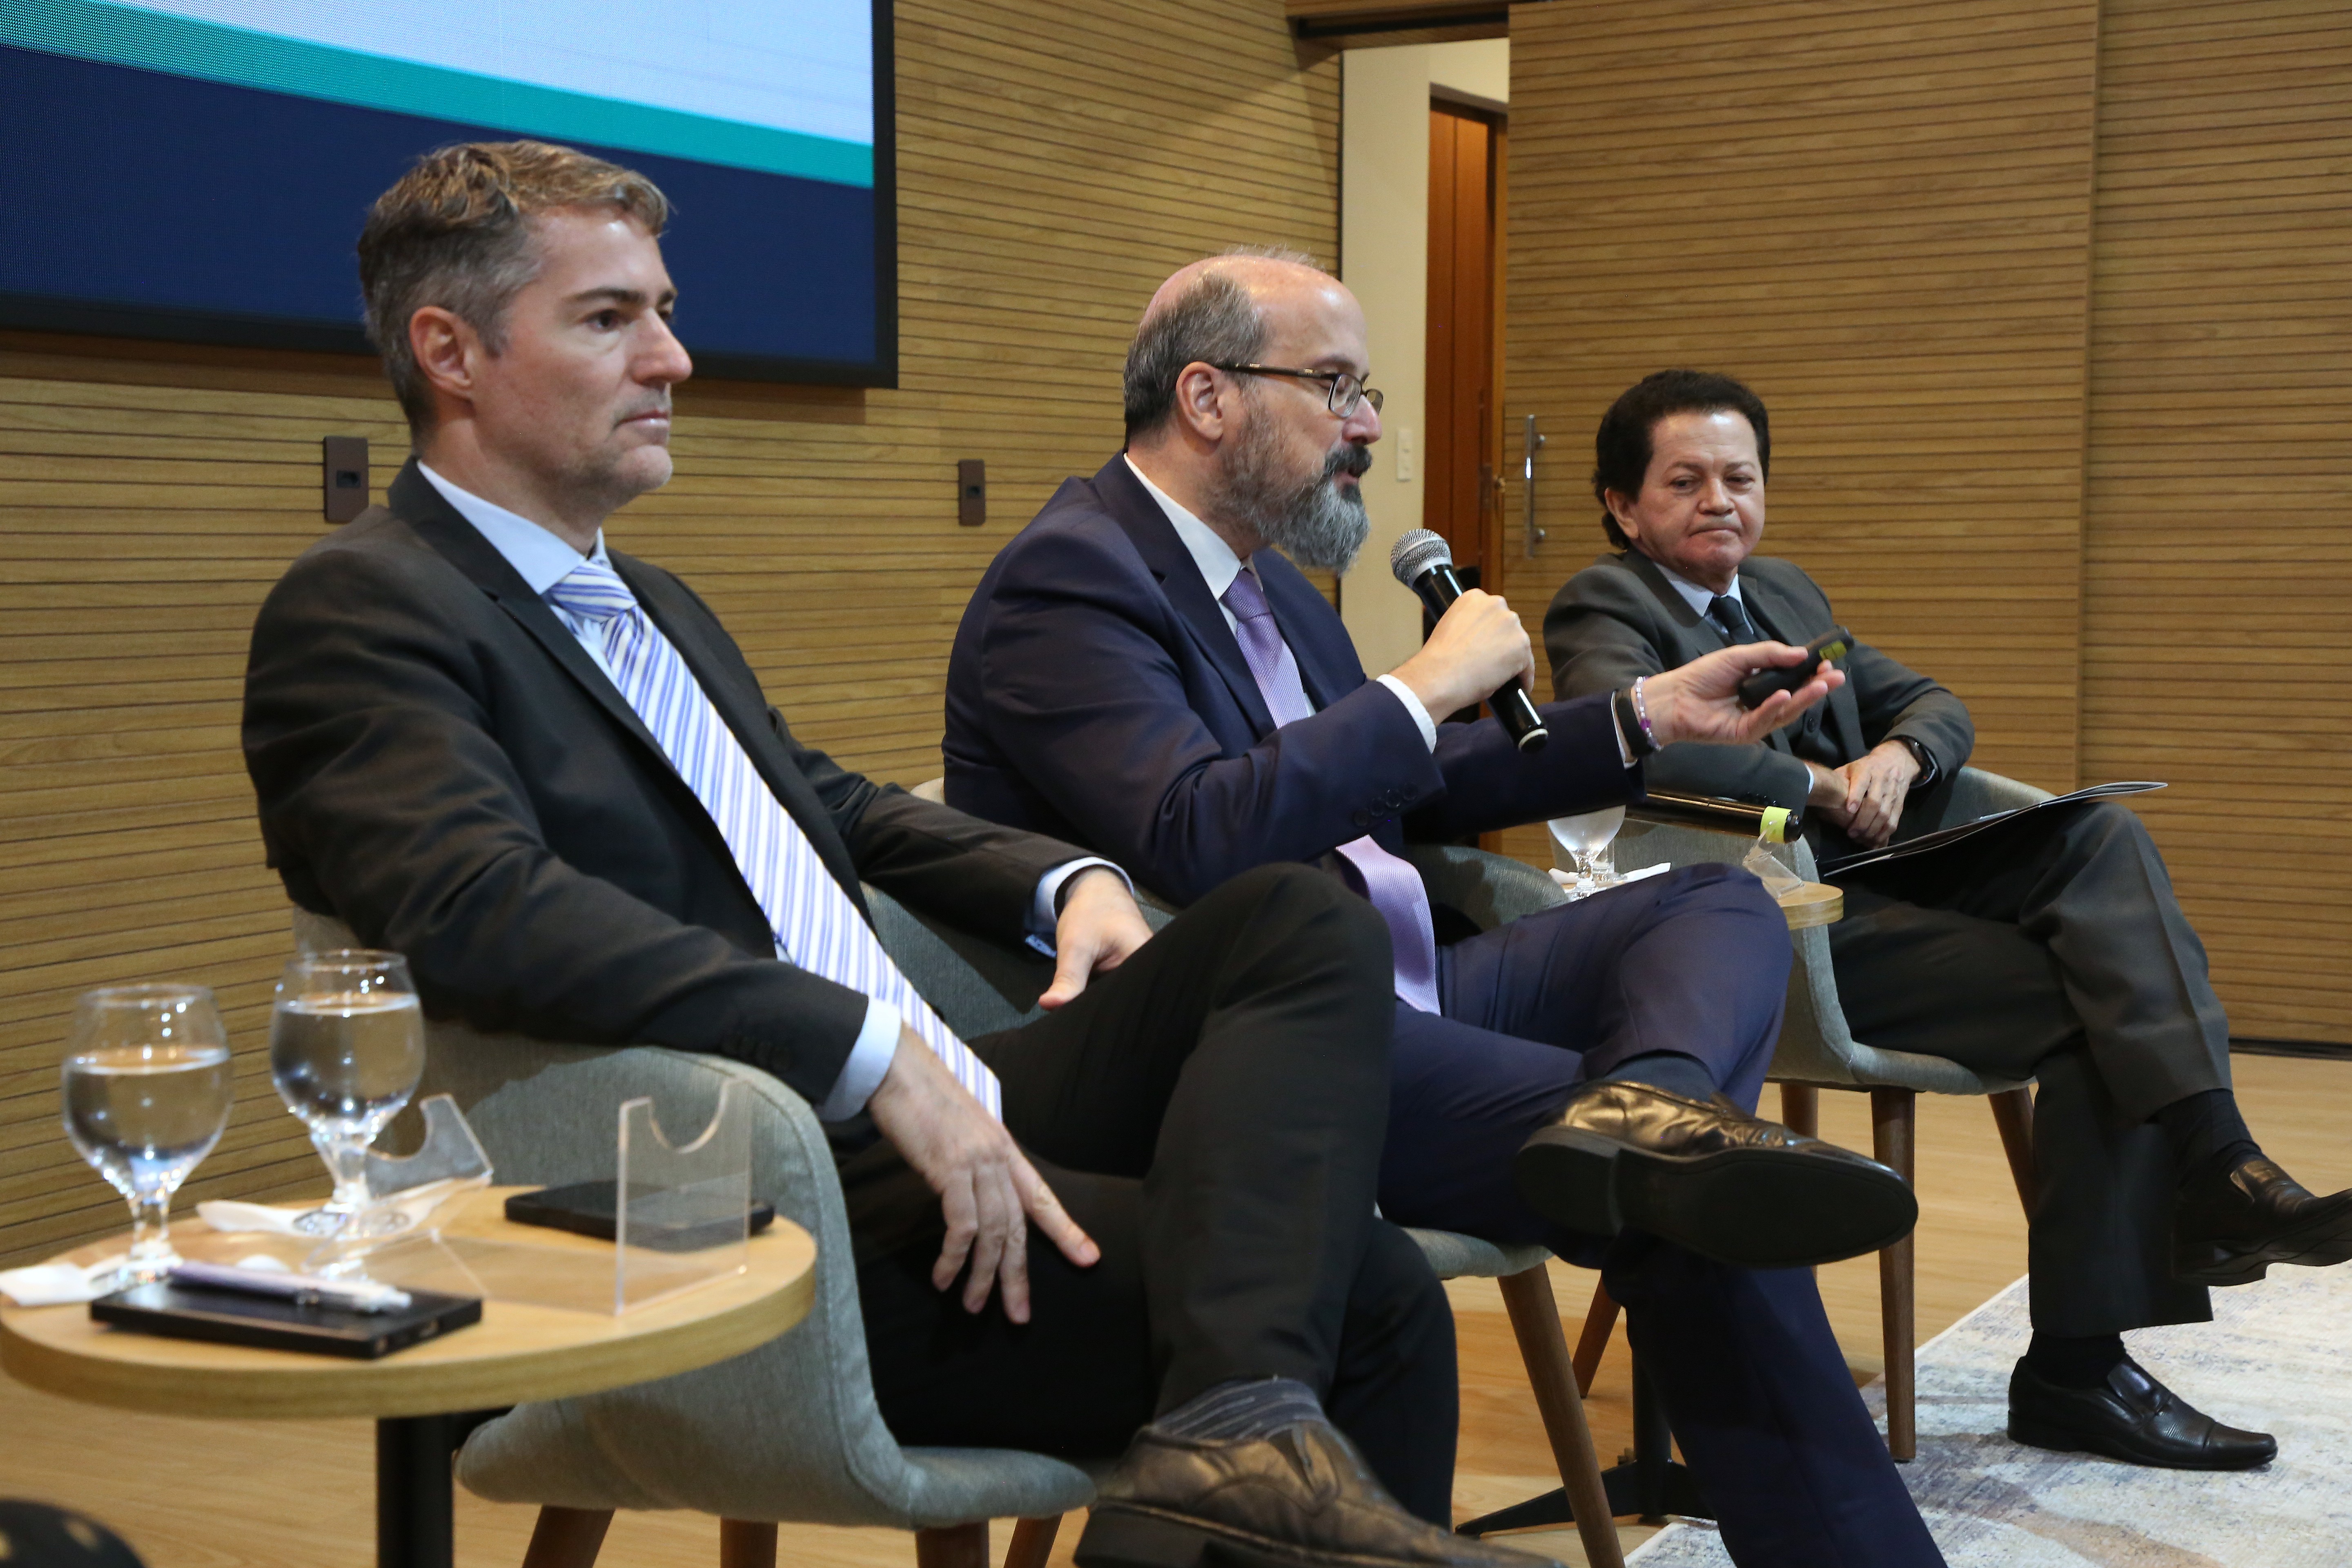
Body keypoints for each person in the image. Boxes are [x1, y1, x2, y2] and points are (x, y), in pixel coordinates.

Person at [241, 141, 1552, 1568]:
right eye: (610, 318)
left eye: (664, 311)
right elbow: (474, 909)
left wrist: (1069, 882)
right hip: (754, 1174)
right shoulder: (365, 607)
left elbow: (835, 806)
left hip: (942, 1094)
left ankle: (1228, 1427)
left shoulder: (648, 599)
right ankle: (1232, 1427)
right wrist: (865, 1049)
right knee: (1368, 1300)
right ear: (451, 351)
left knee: (1291, 926)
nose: (674, 358)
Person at [943, 250, 1947, 1567]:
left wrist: (1644, 715)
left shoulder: (1270, 590)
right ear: (1207, 396)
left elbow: (1399, 789)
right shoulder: (1069, 580)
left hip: (1409, 987)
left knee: (1711, 905)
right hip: (1257, 1054)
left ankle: (1642, 1112)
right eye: (1337, 388)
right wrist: (1419, 686)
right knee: (1700, 1206)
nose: (1367, 428)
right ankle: (1657, 1156)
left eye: (1366, 394)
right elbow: (1197, 828)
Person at [1545, 368, 2352, 1472]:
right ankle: (2086, 1357)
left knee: (2101, 838)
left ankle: (2218, 1169)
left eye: (1740, 476)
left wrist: (1896, 754)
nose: (1719, 500)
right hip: (1775, 931)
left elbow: (1935, 700)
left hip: (1891, 887)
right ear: (1623, 506)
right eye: (1684, 482)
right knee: (2099, 1003)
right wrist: (1817, 788)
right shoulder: (1608, 606)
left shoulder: (1784, 591)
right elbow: (1646, 754)